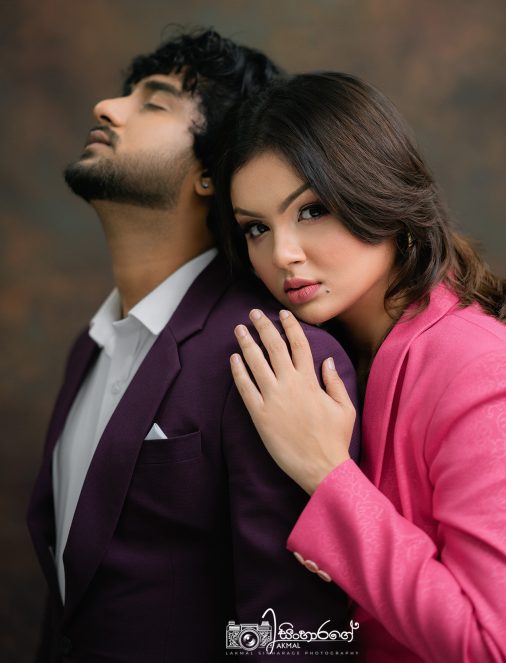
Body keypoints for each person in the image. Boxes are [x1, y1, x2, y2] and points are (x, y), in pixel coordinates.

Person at [26, 36, 361, 662]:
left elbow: (297, 638)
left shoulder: (273, 354)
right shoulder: (90, 346)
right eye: (125, 94)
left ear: (213, 173)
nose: (106, 107)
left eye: (153, 103)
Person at [214, 71, 506, 661]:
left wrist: (327, 474)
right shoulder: (334, 352)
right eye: (256, 228)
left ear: (379, 193)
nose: (282, 254)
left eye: (312, 210)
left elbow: (499, 648)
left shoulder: (481, 368)